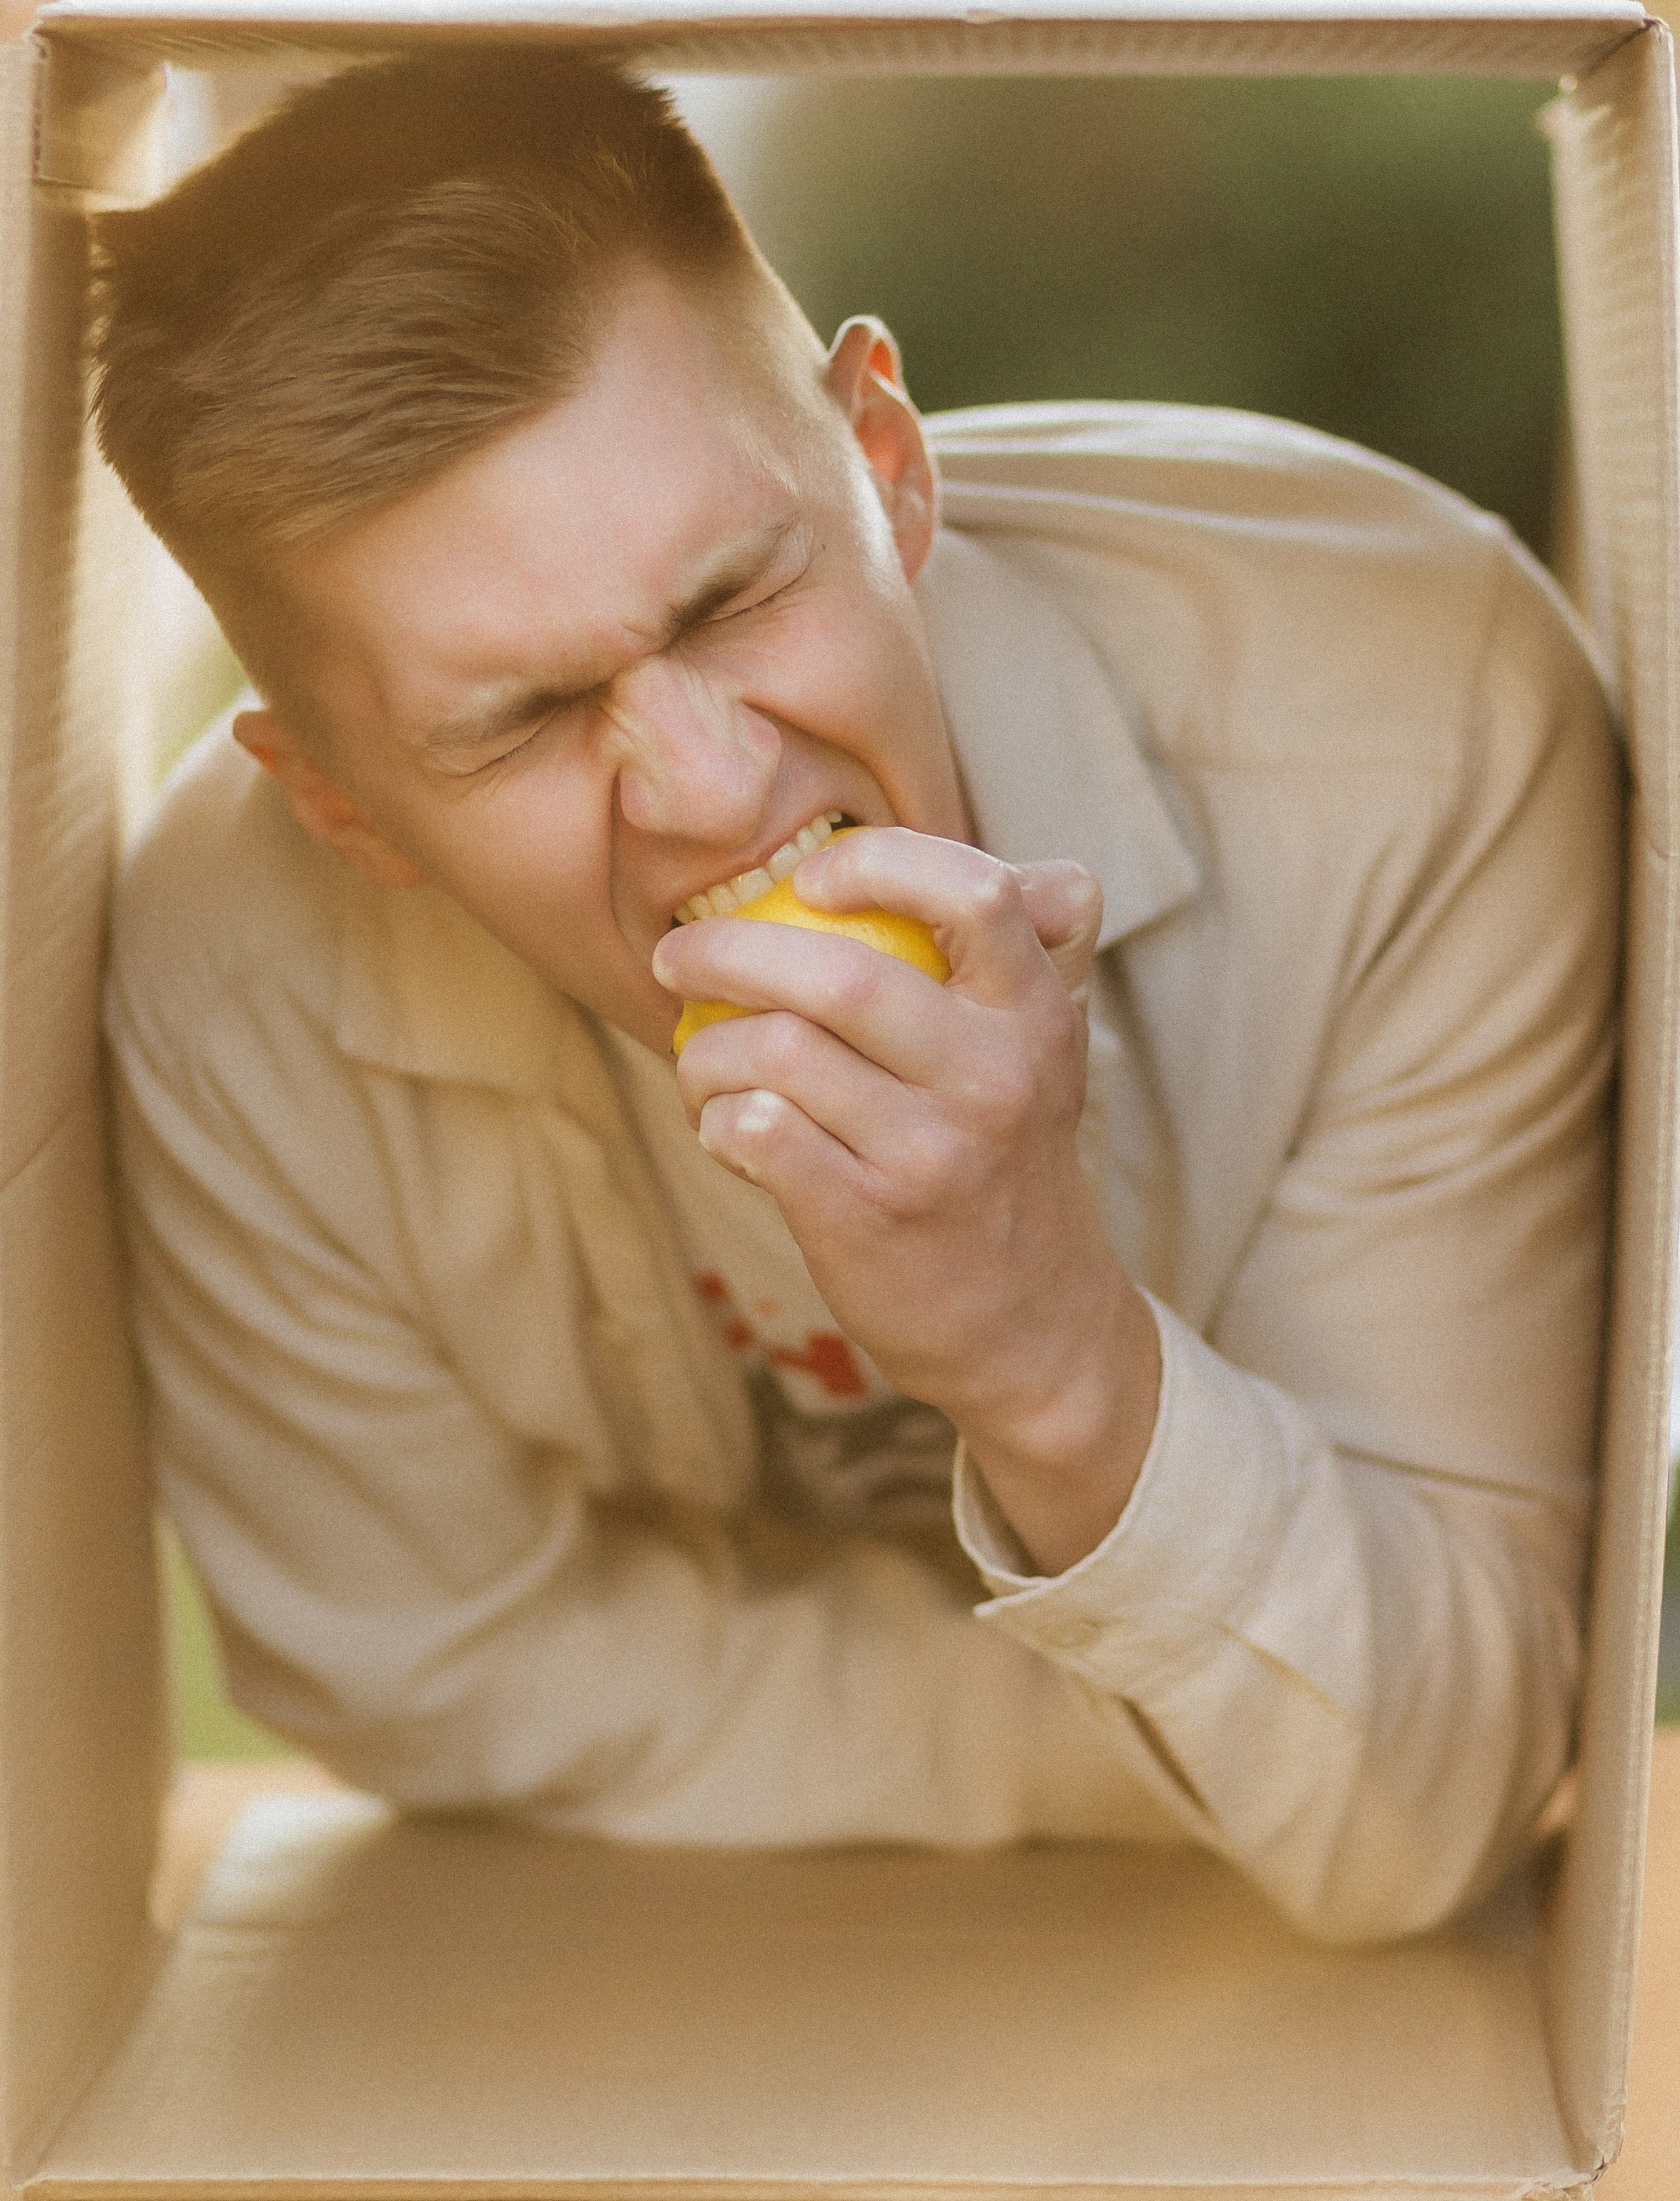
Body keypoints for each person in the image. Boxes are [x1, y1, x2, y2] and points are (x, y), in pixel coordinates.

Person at [93, 48, 1620, 1945]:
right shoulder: (226, 979)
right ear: (331, 799)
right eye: (527, 719)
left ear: (887, 464)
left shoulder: (1424, 734)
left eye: (734, 597)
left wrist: (1050, 1351)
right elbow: (429, 1670)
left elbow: (1442, 1794)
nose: (717, 788)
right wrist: (1182, 1727)